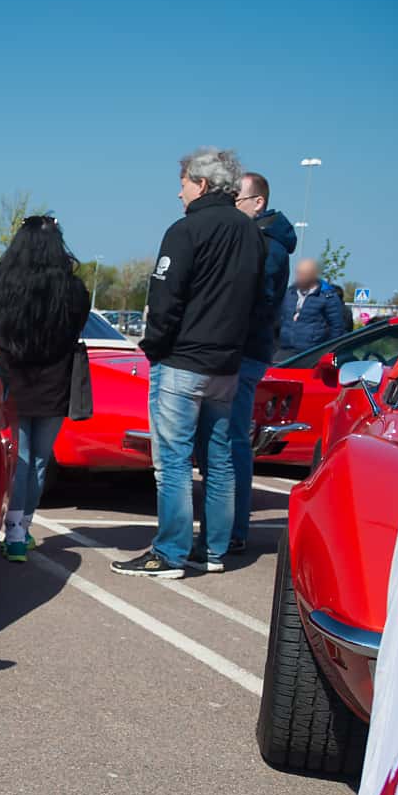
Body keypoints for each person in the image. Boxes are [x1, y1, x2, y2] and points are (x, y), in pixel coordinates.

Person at [114, 147, 264, 580]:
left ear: (200, 183)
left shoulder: (186, 230)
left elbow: (165, 298)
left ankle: (170, 552)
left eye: (182, 184)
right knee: (218, 459)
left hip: (184, 360)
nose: (178, 193)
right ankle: (213, 549)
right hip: (227, 364)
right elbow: (259, 300)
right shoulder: (250, 233)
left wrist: (155, 346)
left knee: (173, 461)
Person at [0, 216, 90, 563]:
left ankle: (12, 533)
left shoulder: (1, 282)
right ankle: (21, 530)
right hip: (54, 381)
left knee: (19, 459)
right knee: (40, 461)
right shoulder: (73, 290)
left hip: (11, 378)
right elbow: (77, 326)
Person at [211, 172, 296, 555]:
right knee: (227, 439)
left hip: (244, 351)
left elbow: (255, 299)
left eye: (237, 201)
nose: (231, 209)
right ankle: (227, 526)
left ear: (257, 203)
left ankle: (233, 529)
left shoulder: (269, 246)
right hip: (243, 349)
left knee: (232, 441)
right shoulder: (262, 240)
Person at [276, 257, 351, 355]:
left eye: (304, 274)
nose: (300, 277)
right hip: (285, 350)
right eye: (299, 273)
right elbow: (279, 319)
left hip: (311, 353)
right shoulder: (290, 293)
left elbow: (337, 328)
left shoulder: (327, 296)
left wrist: (326, 350)